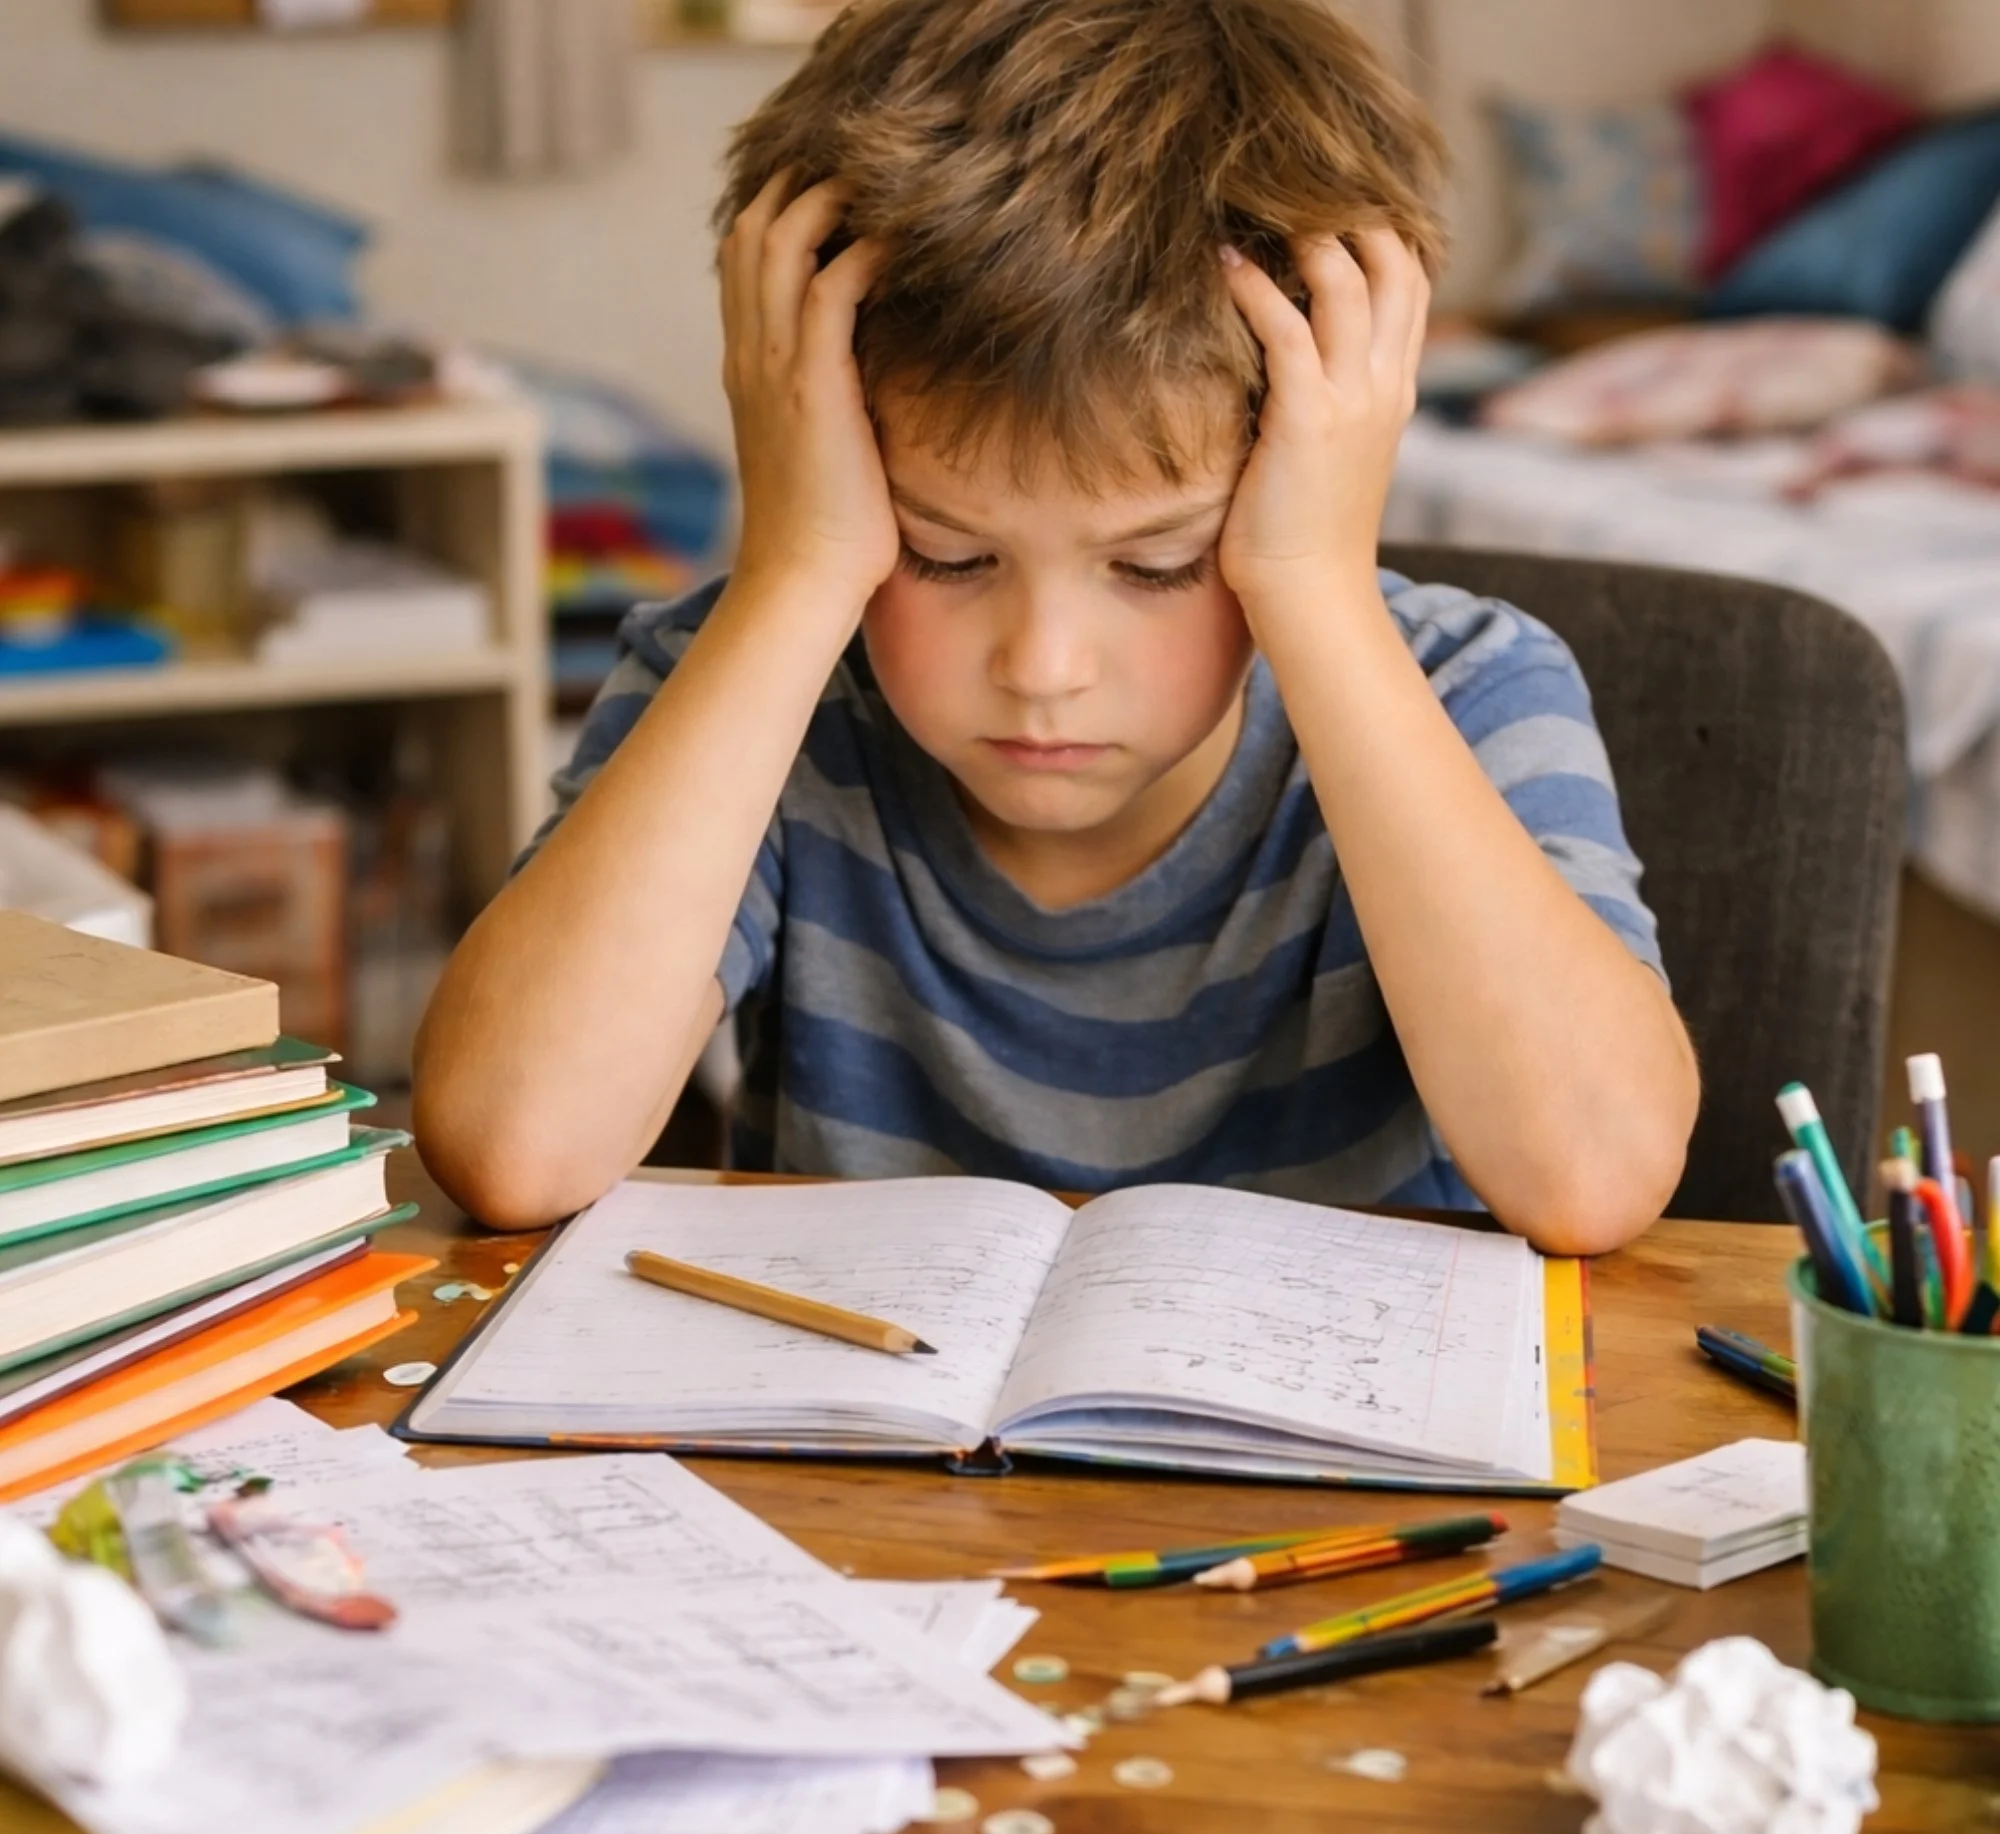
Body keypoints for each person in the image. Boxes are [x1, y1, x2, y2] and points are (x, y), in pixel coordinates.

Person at [415, 0, 1698, 1252]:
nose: (1042, 669)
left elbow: (1587, 1176)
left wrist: (1312, 585)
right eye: (943, 551)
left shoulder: (1471, 688)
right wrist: (797, 571)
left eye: (1156, 564)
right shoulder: (750, 686)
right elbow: (516, 1144)